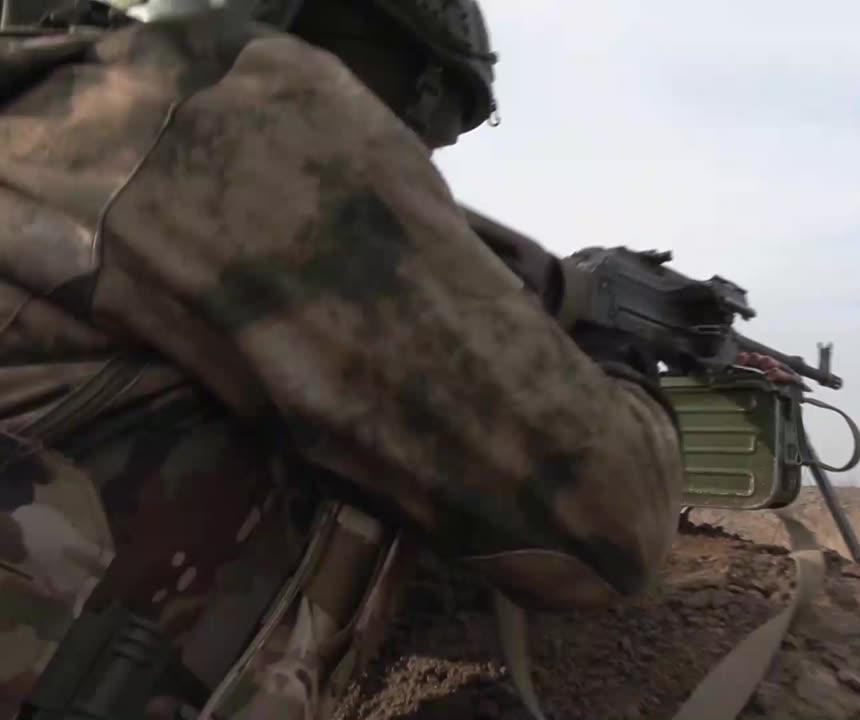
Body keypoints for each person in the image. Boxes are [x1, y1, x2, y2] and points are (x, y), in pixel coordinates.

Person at [0, 1, 695, 718]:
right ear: (412, 85)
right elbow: (616, 522)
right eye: (427, 132)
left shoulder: (61, 104)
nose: (417, 166)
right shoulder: (232, 107)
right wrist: (614, 354)